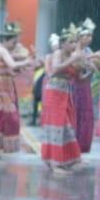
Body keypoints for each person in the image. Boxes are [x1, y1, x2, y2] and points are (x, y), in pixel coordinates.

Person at [0, 24, 33, 162]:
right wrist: (27, 62)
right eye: (13, 42)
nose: (14, 45)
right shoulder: (3, 51)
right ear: (4, 40)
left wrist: (15, 68)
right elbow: (13, 65)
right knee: (3, 120)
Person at [40, 26, 84, 175]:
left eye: (74, 42)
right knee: (57, 126)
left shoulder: (73, 56)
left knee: (66, 127)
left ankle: (64, 160)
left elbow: (80, 78)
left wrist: (88, 67)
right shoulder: (58, 53)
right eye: (71, 42)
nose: (73, 45)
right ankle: (55, 163)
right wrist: (73, 59)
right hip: (54, 92)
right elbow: (56, 68)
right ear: (63, 43)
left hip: (66, 92)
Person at [72, 20, 97, 152]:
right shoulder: (73, 51)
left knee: (86, 116)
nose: (89, 39)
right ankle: (72, 145)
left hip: (85, 87)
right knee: (74, 115)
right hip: (74, 87)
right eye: (86, 36)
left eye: (91, 36)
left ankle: (82, 145)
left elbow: (95, 66)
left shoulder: (89, 51)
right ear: (79, 37)